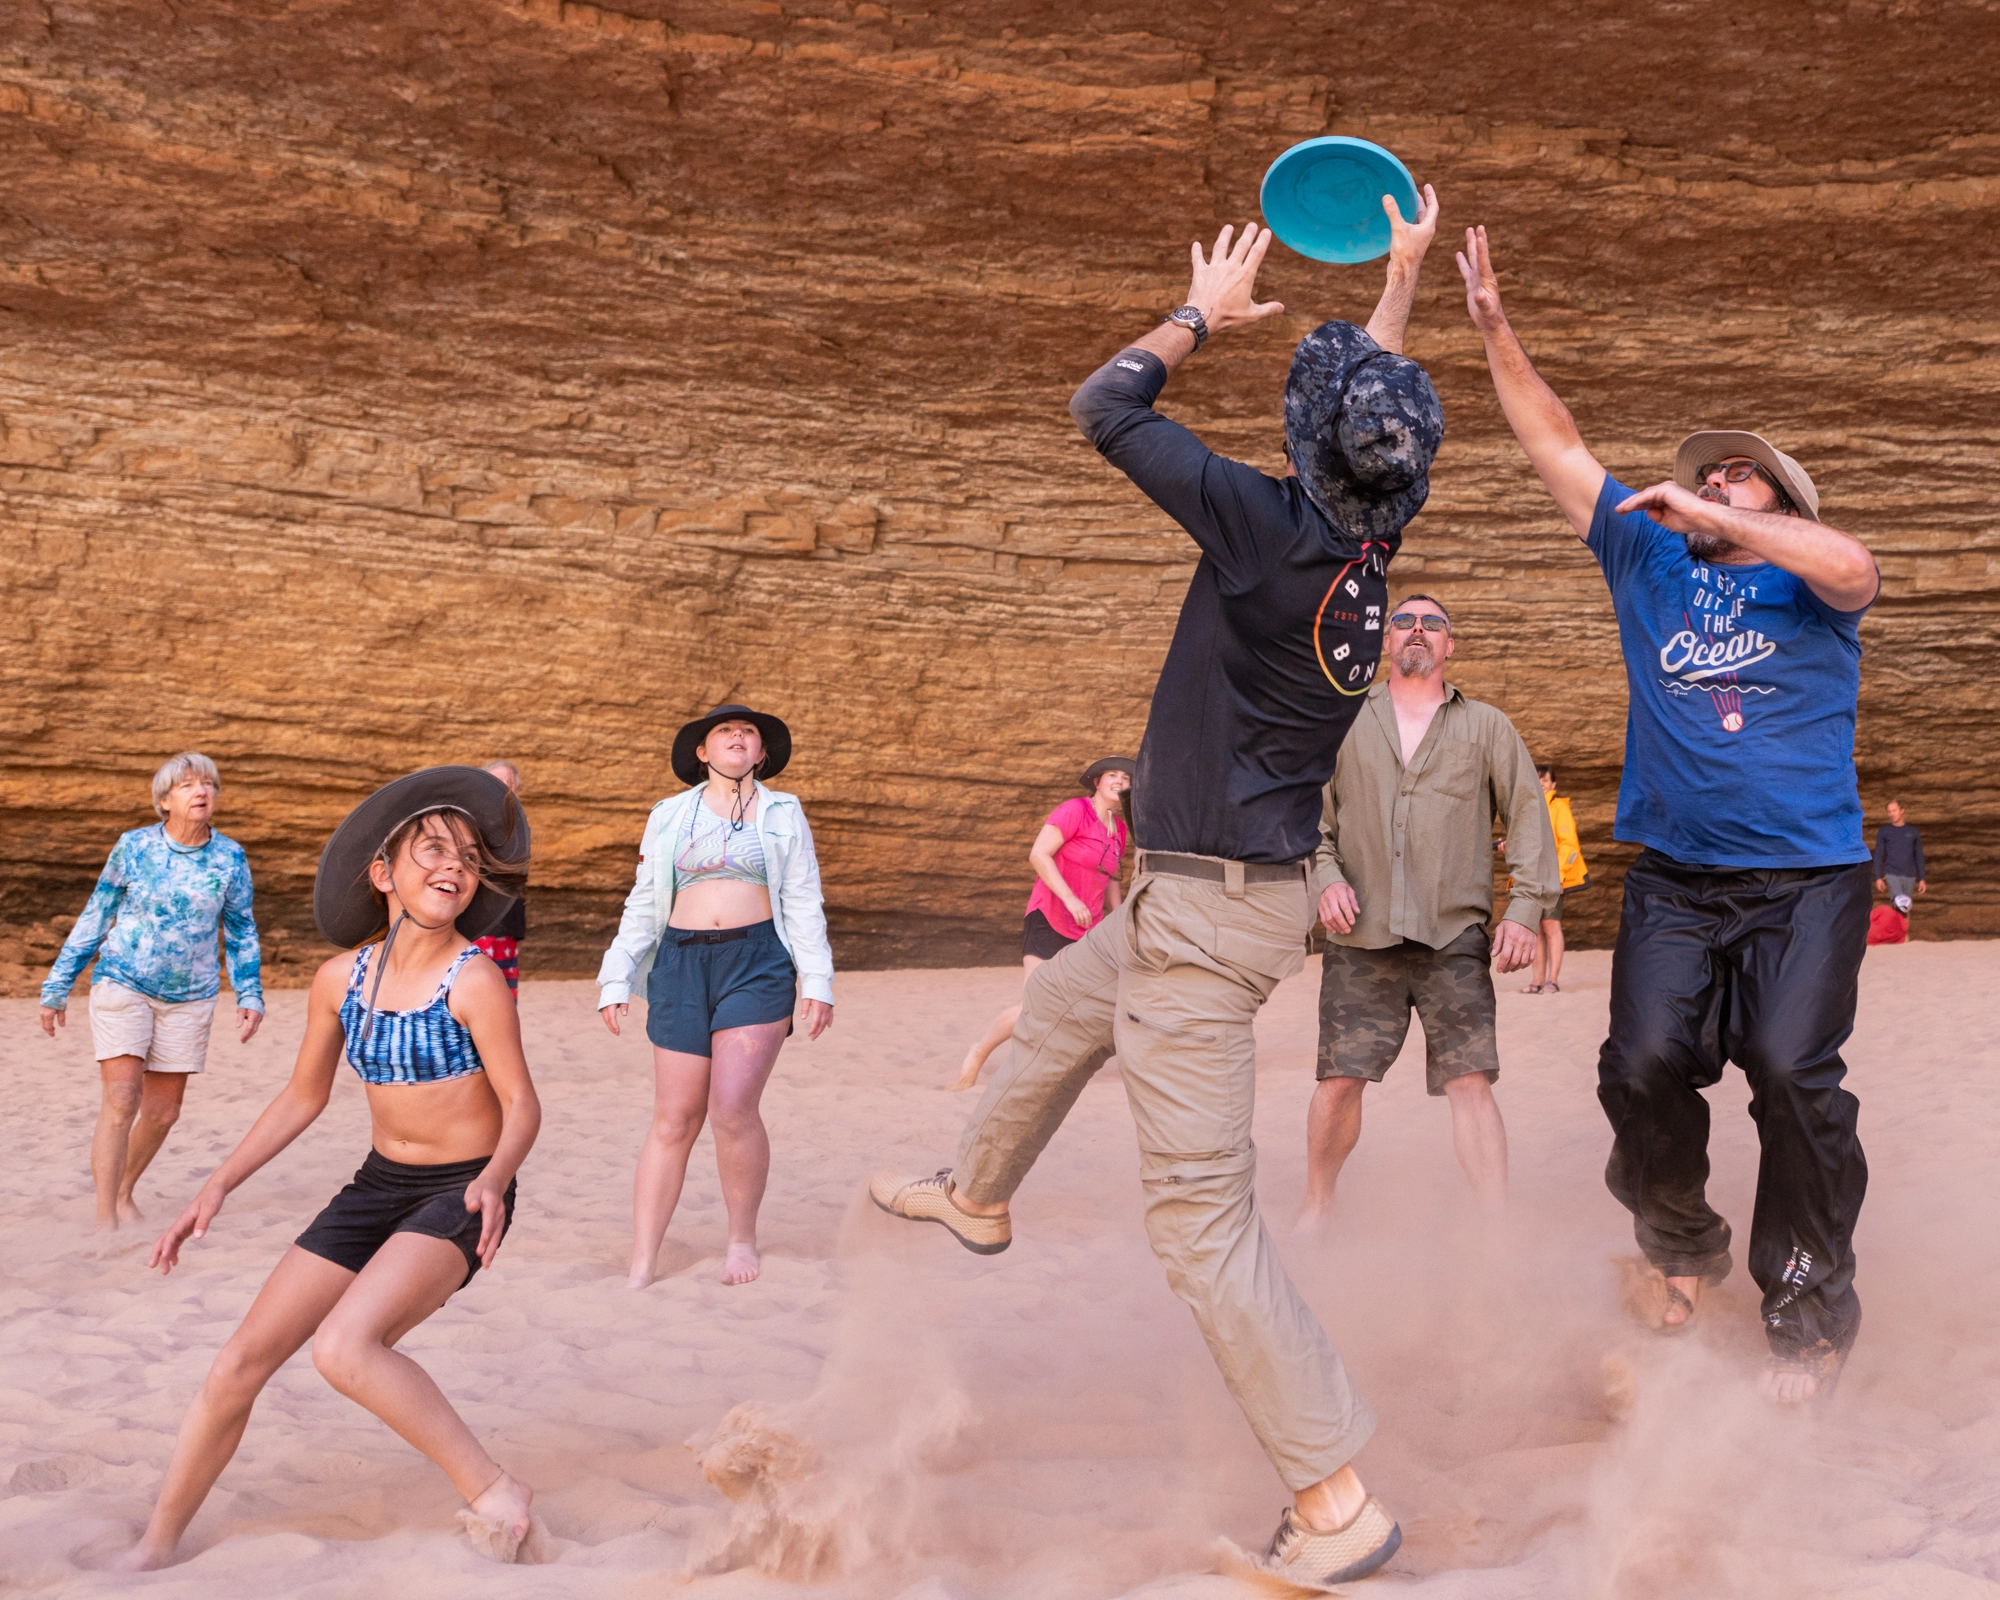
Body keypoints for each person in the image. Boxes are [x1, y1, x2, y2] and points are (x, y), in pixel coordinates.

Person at [873, 190, 1446, 1592]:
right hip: (1183, 897)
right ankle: (980, 1191)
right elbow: (1372, 418)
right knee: (1067, 1005)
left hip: (1204, 918)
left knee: (1200, 1224)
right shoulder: (1371, 540)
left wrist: (1199, 316)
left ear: (1302, 453)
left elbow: (1105, 406)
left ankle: (1335, 1504)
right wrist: (1406, 278)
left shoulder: (1262, 527)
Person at [1458, 224, 1881, 1405]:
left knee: (1792, 1074)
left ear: (1777, 500)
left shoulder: (1808, 580)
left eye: (1737, 474)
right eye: (1704, 476)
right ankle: (1678, 1250)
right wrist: (1495, 329)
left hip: (1807, 879)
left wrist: (1742, 521)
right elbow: (1553, 439)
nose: (1711, 483)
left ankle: (1802, 1306)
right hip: (1676, 879)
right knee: (1640, 1067)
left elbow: (1850, 561)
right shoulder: (1646, 563)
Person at [115, 767, 541, 1569]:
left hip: (461, 1190)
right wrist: (215, 1185)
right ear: (384, 874)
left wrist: (492, 1180)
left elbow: (523, 1105)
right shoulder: (340, 980)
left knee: (347, 1347)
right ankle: (157, 1543)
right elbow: (300, 1098)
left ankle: (495, 1490)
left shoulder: (475, 979)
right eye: (433, 850)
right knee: (238, 1361)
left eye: (469, 857)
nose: (455, 865)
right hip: (376, 1185)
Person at [1302, 594, 1557, 1222]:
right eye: (1404, 622)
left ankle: (1495, 1225)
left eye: (1432, 624)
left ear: (1450, 644)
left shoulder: (1488, 727)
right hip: (1360, 935)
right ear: (1386, 640)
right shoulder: (1339, 721)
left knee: (1470, 1081)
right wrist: (1324, 879)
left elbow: (1528, 817)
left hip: (1453, 939)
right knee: (1339, 1081)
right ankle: (1318, 1205)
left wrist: (1524, 909)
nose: (1418, 630)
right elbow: (1307, 820)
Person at [597, 705, 835, 1289]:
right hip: (679, 964)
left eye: (748, 732)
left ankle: (740, 1240)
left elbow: (803, 898)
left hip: (757, 963)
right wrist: (615, 975)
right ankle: (644, 1259)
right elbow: (644, 898)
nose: (737, 736)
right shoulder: (669, 815)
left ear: (761, 754)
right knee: (675, 1118)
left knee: (731, 1107)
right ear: (702, 753)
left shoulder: (784, 811)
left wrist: (818, 980)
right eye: (724, 731)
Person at [37, 753, 264, 1232]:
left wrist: (249, 994)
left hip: (193, 994)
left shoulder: (230, 857)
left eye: (208, 784)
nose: (200, 791)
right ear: (165, 801)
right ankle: (104, 1217)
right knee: (122, 1097)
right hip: (124, 981)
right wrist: (58, 985)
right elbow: (96, 915)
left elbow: (241, 929)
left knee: (162, 1113)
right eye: (187, 785)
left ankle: (123, 1190)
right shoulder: (134, 847)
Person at [953, 757, 1132, 1091]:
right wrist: (1070, 899)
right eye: (1112, 775)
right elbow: (1038, 854)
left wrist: (1118, 920)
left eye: (1126, 777)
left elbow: (1110, 878)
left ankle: (1042, 1067)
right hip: (1050, 916)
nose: (1119, 781)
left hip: (1088, 930)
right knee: (1032, 1006)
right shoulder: (1074, 811)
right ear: (1097, 781)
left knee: (1086, 1002)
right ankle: (979, 1051)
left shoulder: (1119, 830)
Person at [1523, 765, 1589, 994]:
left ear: (1553, 785)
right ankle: (1537, 981)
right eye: (1537, 780)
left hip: (1553, 878)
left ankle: (1552, 981)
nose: (1541, 785)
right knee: (1536, 929)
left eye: (1545, 782)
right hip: (1532, 879)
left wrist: (1558, 876)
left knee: (1551, 926)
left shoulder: (1559, 807)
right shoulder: (1528, 808)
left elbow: (1569, 846)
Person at [475, 760, 528, 997]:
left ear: (517, 790)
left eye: (508, 784)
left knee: (503, 997)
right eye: (496, 782)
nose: (503, 788)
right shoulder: (471, 819)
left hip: (505, 922)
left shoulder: (519, 825)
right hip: (475, 923)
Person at [1872, 799, 1926, 916]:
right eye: (1889, 811)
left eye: (1894, 810)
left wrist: (1922, 878)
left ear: (1902, 811)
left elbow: (1918, 855)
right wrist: (1878, 877)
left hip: (1909, 875)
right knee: (1899, 904)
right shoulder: (1884, 831)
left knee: (1906, 906)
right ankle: (1898, 934)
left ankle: (1904, 933)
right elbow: (1878, 854)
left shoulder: (1912, 832)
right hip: (1892, 873)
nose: (1891, 814)